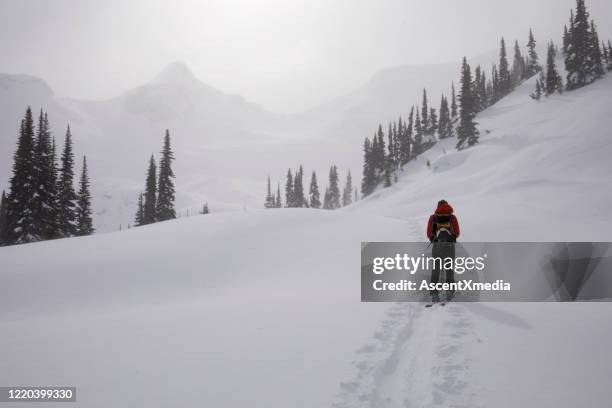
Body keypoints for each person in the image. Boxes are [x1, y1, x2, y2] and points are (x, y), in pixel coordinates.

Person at [426, 200, 460, 303]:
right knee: (449, 269)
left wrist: (434, 238)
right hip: (449, 246)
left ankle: (434, 293)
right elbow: (457, 232)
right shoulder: (452, 217)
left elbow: (428, 233)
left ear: (438, 206)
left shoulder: (433, 217)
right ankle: (450, 292)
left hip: (437, 246)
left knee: (436, 269)